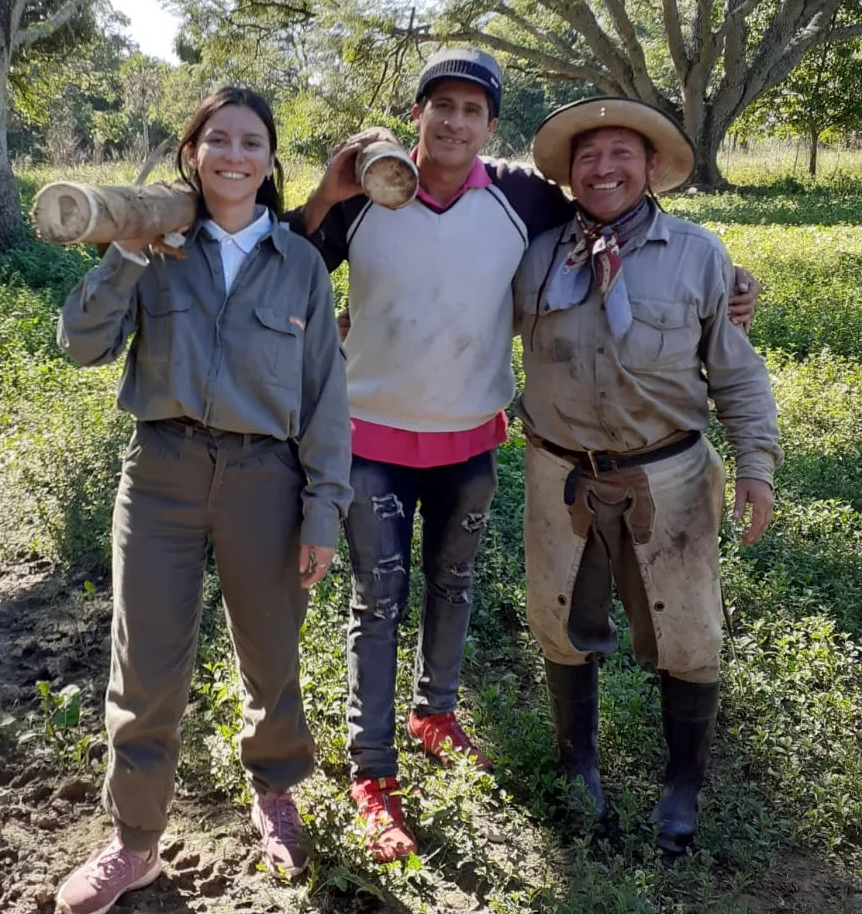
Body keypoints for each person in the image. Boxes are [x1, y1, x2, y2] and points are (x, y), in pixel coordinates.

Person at [288, 49, 760, 861]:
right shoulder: (421, 206)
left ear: (490, 126)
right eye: (441, 106)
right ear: (417, 115)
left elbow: (711, 334)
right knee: (405, 605)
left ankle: (452, 715)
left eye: (472, 110)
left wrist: (734, 291)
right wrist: (327, 196)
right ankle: (388, 774)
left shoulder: (552, 210)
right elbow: (294, 269)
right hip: (429, 451)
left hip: (521, 450)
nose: (454, 122)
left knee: (471, 587)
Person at [53, 86, 353, 913]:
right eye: (216, 138)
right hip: (162, 474)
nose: (233, 154)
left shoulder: (298, 263)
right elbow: (79, 344)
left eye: (250, 141)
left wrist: (323, 508)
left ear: (269, 160)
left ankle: (275, 793)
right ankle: (134, 841)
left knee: (271, 654)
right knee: (145, 664)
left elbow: (326, 395)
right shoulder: (156, 248)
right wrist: (129, 250)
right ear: (192, 153)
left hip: (267, 481)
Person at [514, 96, 781, 854]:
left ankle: (683, 785)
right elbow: (459, 322)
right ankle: (578, 768)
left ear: (651, 166)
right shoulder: (534, 256)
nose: (603, 169)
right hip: (557, 476)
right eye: (587, 156)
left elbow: (736, 375)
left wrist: (755, 468)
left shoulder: (701, 256)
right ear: (568, 173)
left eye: (619, 154)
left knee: (688, 631)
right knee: (561, 625)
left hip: (669, 479)